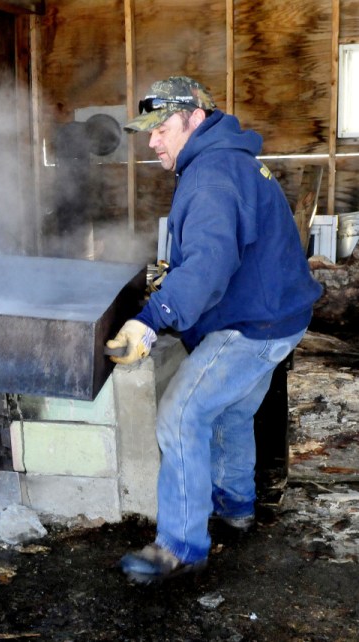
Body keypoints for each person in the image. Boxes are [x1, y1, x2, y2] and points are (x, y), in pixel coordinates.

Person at [106, 76, 322, 584]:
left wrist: (151, 319)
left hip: (253, 328)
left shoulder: (210, 177)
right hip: (279, 318)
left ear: (195, 120)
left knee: (180, 415)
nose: (153, 141)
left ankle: (179, 546)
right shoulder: (230, 160)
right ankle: (236, 505)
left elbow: (206, 265)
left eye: (162, 129)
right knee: (231, 408)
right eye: (148, 132)